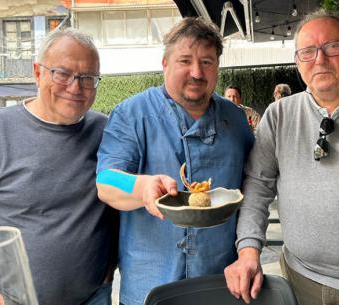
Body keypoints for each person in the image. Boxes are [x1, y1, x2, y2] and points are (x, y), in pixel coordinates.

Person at [224, 9, 339, 305]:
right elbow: (257, 185)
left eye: (332, 46)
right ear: (297, 62)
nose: (320, 59)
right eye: (307, 52)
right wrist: (249, 250)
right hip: (297, 280)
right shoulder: (279, 115)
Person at [96, 17, 254, 305]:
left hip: (219, 280)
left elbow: (255, 185)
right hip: (149, 284)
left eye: (207, 62)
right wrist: (141, 187)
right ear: (165, 64)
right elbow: (105, 180)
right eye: (185, 61)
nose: (196, 72)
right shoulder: (132, 114)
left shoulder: (235, 118)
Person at [0, 28, 120, 305]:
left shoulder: (105, 131)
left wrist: (108, 270)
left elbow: (119, 196)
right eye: (62, 73)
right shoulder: (2, 130)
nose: (75, 87)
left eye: (87, 78)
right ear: (37, 73)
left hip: (94, 296)